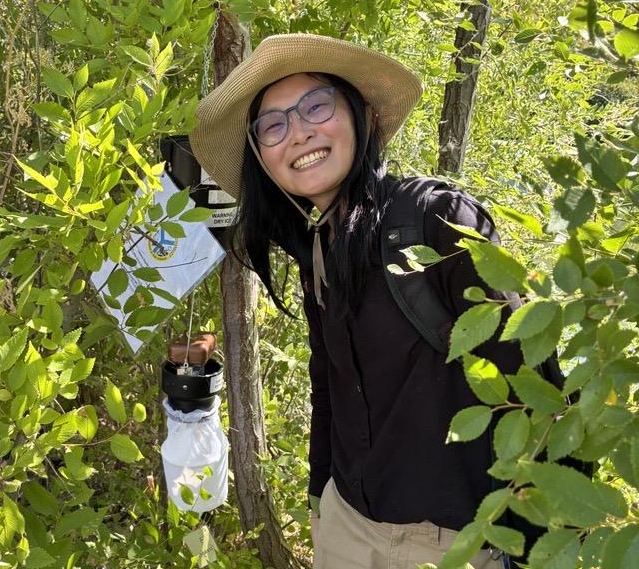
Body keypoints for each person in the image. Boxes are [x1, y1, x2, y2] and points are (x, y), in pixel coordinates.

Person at [189, 34, 526, 569]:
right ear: (262, 158)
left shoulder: (438, 223)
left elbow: (537, 382)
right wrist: (320, 496)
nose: (298, 132)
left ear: (361, 116)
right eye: (273, 125)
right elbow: (329, 383)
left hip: (453, 542)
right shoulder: (315, 249)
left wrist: (528, 547)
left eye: (316, 106)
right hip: (346, 528)